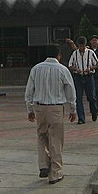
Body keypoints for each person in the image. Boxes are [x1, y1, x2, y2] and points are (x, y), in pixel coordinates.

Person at [24, 43, 77, 184]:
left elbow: (29, 91)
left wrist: (29, 109)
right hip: (56, 108)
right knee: (56, 140)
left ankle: (43, 164)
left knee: (41, 136)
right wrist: (73, 109)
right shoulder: (62, 69)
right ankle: (55, 173)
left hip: (39, 107)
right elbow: (70, 90)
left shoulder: (36, 69)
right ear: (58, 55)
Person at [67, 36, 98, 124]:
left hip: (89, 76)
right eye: (80, 46)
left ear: (85, 45)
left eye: (83, 46)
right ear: (78, 45)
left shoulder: (90, 53)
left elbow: (97, 64)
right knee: (78, 98)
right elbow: (70, 65)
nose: (81, 48)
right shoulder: (75, 54)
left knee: (92, 97)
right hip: (79, 77)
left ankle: (94, 112)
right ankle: (81, 118)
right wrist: (76, 69)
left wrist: (90, 68)